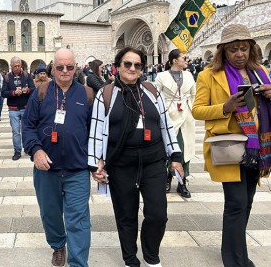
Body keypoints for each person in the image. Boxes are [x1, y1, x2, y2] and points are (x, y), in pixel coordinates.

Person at [88, 46, 184, 267]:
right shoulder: (106, 93)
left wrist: (175, 155)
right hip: (121, 164)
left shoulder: (151, 90)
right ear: (117, 67)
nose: (132, 68)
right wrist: (95, 164)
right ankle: (130, 259)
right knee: (126, 216)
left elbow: (165, 125)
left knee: (158, 214)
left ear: (142, 68)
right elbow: (96, 129)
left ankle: (151, 257)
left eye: (137, 65)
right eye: (127, 64)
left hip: (153, 162)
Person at [192, 24, 271, 267]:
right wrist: (225, 107)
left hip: (257, 149)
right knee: (236, 203)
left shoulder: (261, 72)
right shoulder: (209, 75)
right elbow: (197, 110)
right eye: (234, 49)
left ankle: (235, 250)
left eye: (244, 49)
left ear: (251, 50)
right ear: (223, 52)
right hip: (231, 147)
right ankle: (235, 259)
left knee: (246, 202)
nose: (240, 54)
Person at [22, 48, 93, 267]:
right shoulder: (41, 92)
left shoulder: (87, 94)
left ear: (76, 68)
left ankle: (78, 263)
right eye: (60, 67)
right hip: (47, 169)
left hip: (77, 169)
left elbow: (95, 131)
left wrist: (98, 162)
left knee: (79, 220)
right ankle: (57, 244)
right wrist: (35, 150)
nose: (65, 71)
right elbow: (28, 125)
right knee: (50, 214)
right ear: (52, 68)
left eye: (69, 67)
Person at [155, 49, 196, 198]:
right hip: (169, 113)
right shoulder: (161, 76)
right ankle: (168, 177)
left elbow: (193, 94)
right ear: (174, 60)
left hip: (185, 114)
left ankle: (182, 182)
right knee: (169, 148)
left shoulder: (189, 75)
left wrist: (190, 107)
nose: (186, 61)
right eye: (183, 58)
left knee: (184, 149)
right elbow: (156, 96)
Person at [1, 56, 35, 161]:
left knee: (25, 129)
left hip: (25, 107)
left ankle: (26, 147)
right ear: (11, 66)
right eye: (15, 66)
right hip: (13, 108)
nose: (17, 68)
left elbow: (33, 89)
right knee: (16, 131)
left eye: (19, 66)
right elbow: (3, 93)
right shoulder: (7, 78)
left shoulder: (27, 75)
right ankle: (17, 150)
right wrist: (14, 92)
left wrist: (27, 90)